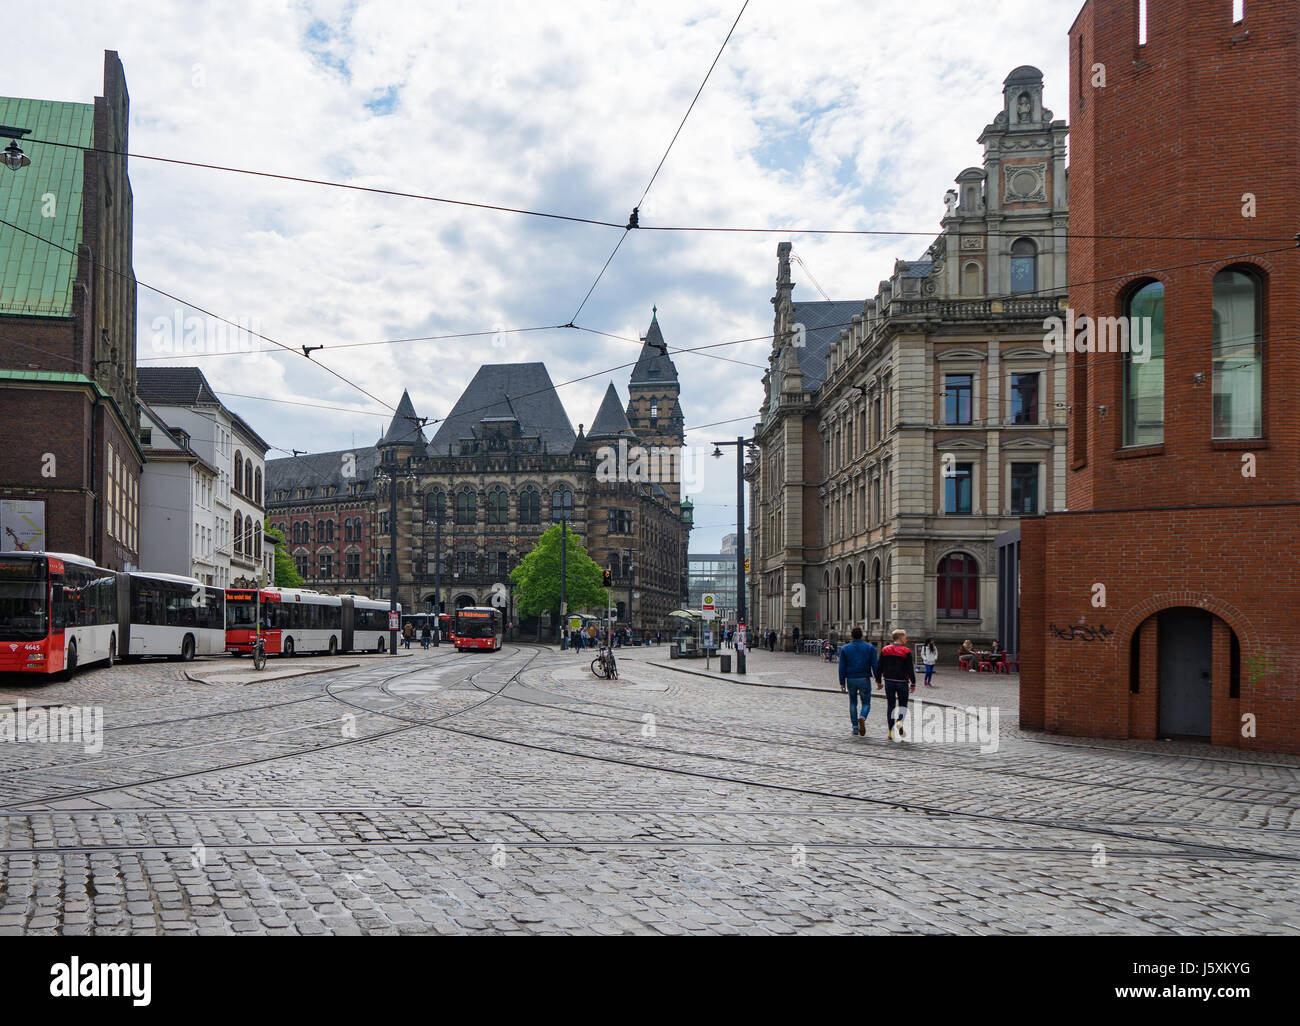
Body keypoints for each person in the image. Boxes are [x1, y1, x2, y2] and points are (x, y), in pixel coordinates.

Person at [876, 628, 917, 740]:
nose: (906, 638)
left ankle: (890, 731)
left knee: (891, 706)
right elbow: (910, 669)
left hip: (889, 681)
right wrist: (913, 683)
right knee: (903, 705)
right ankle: (900, 722)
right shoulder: (906, 651)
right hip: (902, 682)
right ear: (900, 638)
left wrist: (878, 681)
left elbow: (879, 666)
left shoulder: (885, 650)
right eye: (905, 637)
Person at [838, 627, 878, 737]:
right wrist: (878, 680)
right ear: (862, 635)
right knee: (866, 703)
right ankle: (862, 717)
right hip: (864, 678)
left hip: (850, 678)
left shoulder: (845, 648)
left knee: (853, 702)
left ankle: (855, 727)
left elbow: (842, 667)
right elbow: (875, 665)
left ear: (851, 635)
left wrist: (842, 682)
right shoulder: (870, 647)